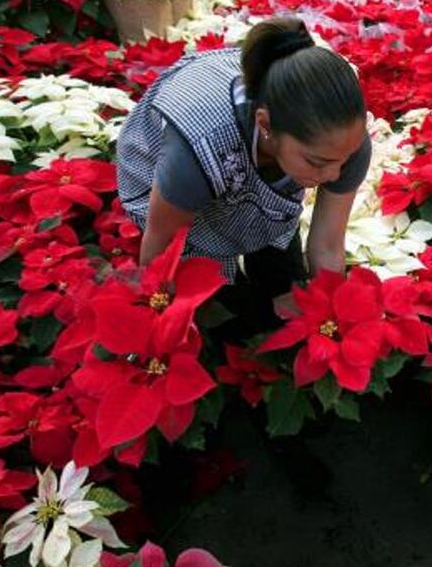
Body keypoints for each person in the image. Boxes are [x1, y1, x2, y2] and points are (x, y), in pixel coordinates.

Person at [116, 17, 371, 332]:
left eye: (342, 160)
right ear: (265, 125)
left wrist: (334, 323)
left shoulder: (341, 142)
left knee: (285, 293)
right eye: (317, 162)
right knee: (228, 318)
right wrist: (161, 320)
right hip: (167, 167)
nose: (334, 174)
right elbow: (163, 243)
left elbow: (327, 245)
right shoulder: (196, 149)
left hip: (254, 163)